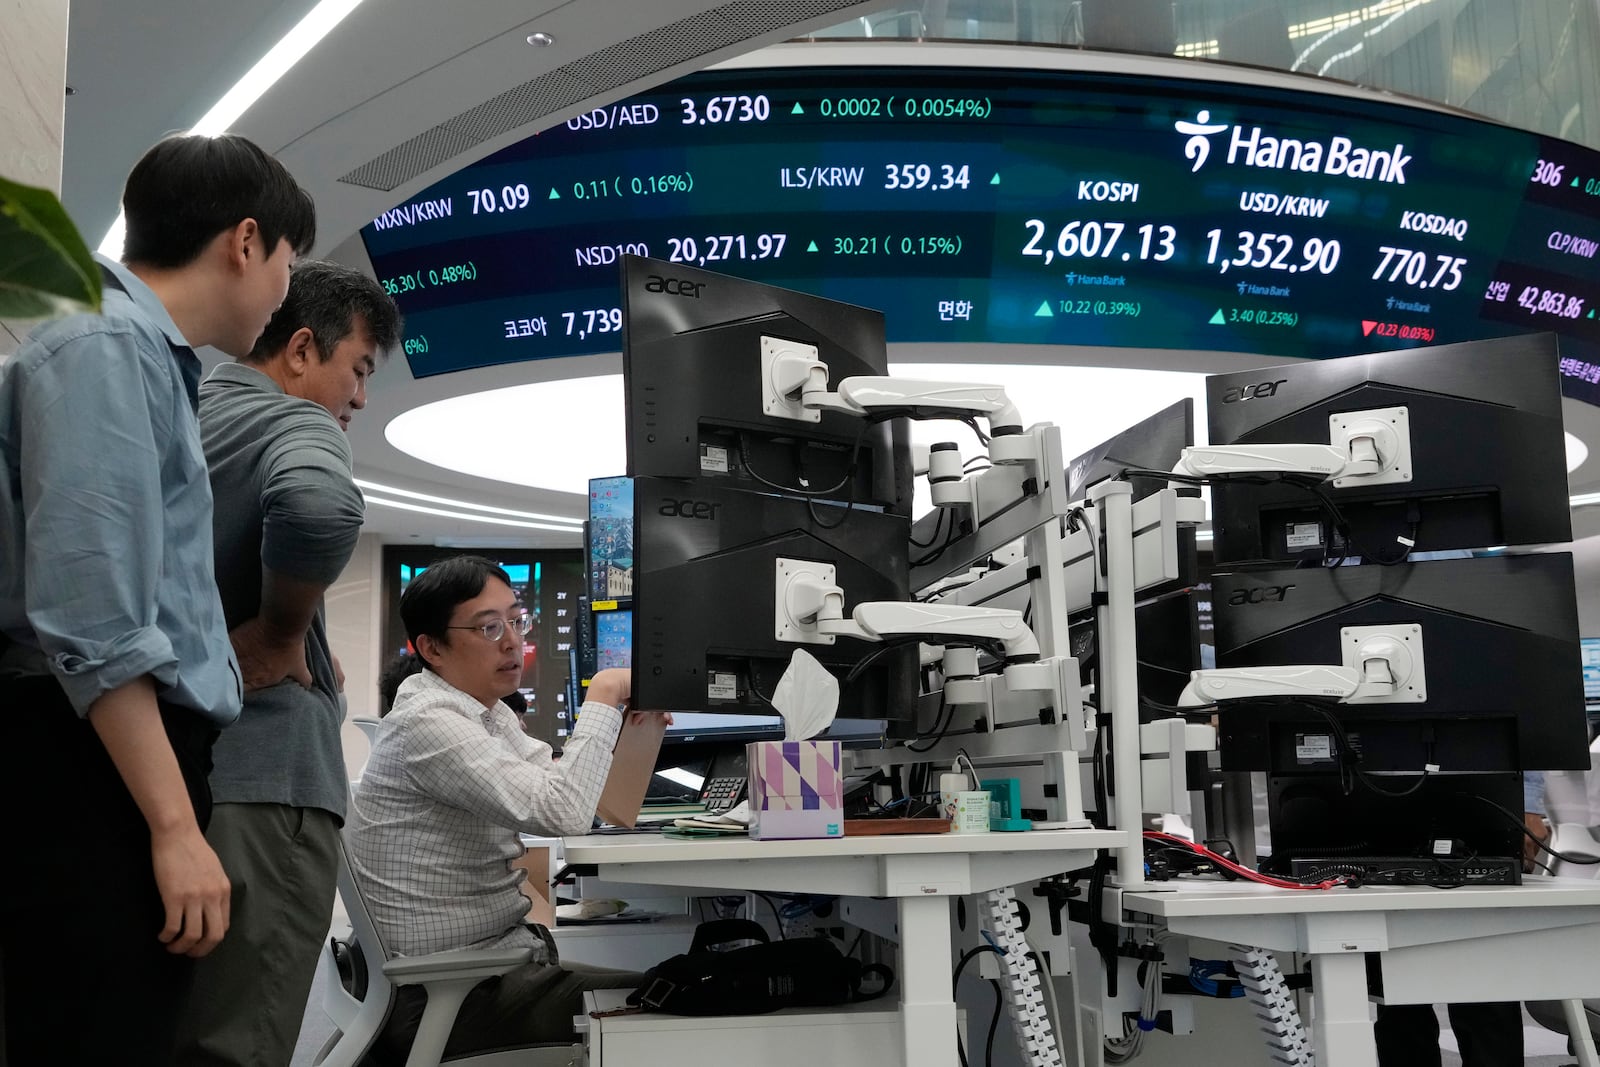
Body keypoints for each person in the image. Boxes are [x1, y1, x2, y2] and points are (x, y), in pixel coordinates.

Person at [0, 133, 315, 1064]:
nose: (285, 291)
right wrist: (173, 827)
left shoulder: (143, 353)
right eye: (289, 265)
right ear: (246, 241)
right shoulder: (107, 346)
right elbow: (95, 616)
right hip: (90, 762)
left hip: (110, 756)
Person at [175, 261, 401, 1066]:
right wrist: (281, 630)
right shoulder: (296, 424)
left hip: (172, 788)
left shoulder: (180, 410)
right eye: (361, 369)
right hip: (266, 792)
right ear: (302, 349)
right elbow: (319, 505)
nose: (361, 399)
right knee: (238, 1042)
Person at [347, 556, 650, 1063]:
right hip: (445, 999)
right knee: (679, 1004)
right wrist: (602, 694)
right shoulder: (429, 723)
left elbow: (577, 798)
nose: (512, 640)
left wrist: (634, 728)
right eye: (490, 627)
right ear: (431, 648)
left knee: (674, 985)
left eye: (516, 620)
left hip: (481, 974)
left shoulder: (483, 711)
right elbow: (564, 811)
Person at [1371, 773, 1549, 1066]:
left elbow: (1528, 728)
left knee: (1486, 983)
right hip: (1386, 800)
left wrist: (1527, 803)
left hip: (1484, 795)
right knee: (1399, 986)